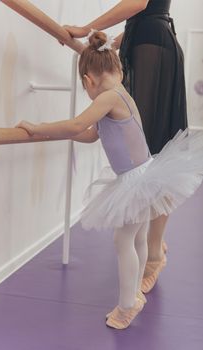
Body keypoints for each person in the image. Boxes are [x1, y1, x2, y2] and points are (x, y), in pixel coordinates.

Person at [16, 31, 203, 330]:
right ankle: (134, 297)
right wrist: (56, 134)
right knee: (137, 237)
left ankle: (127, 305)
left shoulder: (109, 96)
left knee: (123, 239)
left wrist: (39, 128)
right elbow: (91, 134)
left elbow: (78, 124)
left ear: (88, 80)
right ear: (118, 69)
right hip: (144, 175)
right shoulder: (120, 94)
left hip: (136, 180)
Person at [62, 0, 188, 293]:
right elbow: (144, 11)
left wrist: (85, 29)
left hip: (151, 47)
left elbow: (138, 3)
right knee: (151, 147)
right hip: (148, 41)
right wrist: (113, 43)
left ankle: (154, 251)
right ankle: (154, 241)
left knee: (153, 148)